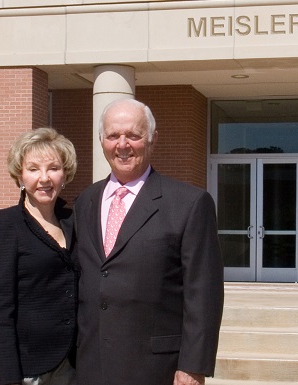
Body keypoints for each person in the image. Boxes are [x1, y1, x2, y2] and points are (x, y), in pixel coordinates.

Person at [74, 99, 225, 385]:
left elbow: (204, 293)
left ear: (153, 139)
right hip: (91, 364)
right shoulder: (86, 201)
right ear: (101, 140)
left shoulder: (189, 203)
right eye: (113, 135)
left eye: (133, 135)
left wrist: (193, 366)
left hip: (157, 369)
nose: (122, 145)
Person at [0, 127, 79, 385]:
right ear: (20, 176)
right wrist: (7, 377)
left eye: (53, 168)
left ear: (65, 173)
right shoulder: (5, 224)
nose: (44, 178)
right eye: (34, 169)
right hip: (30, 368)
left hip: (75, 365)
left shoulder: (75, 222)